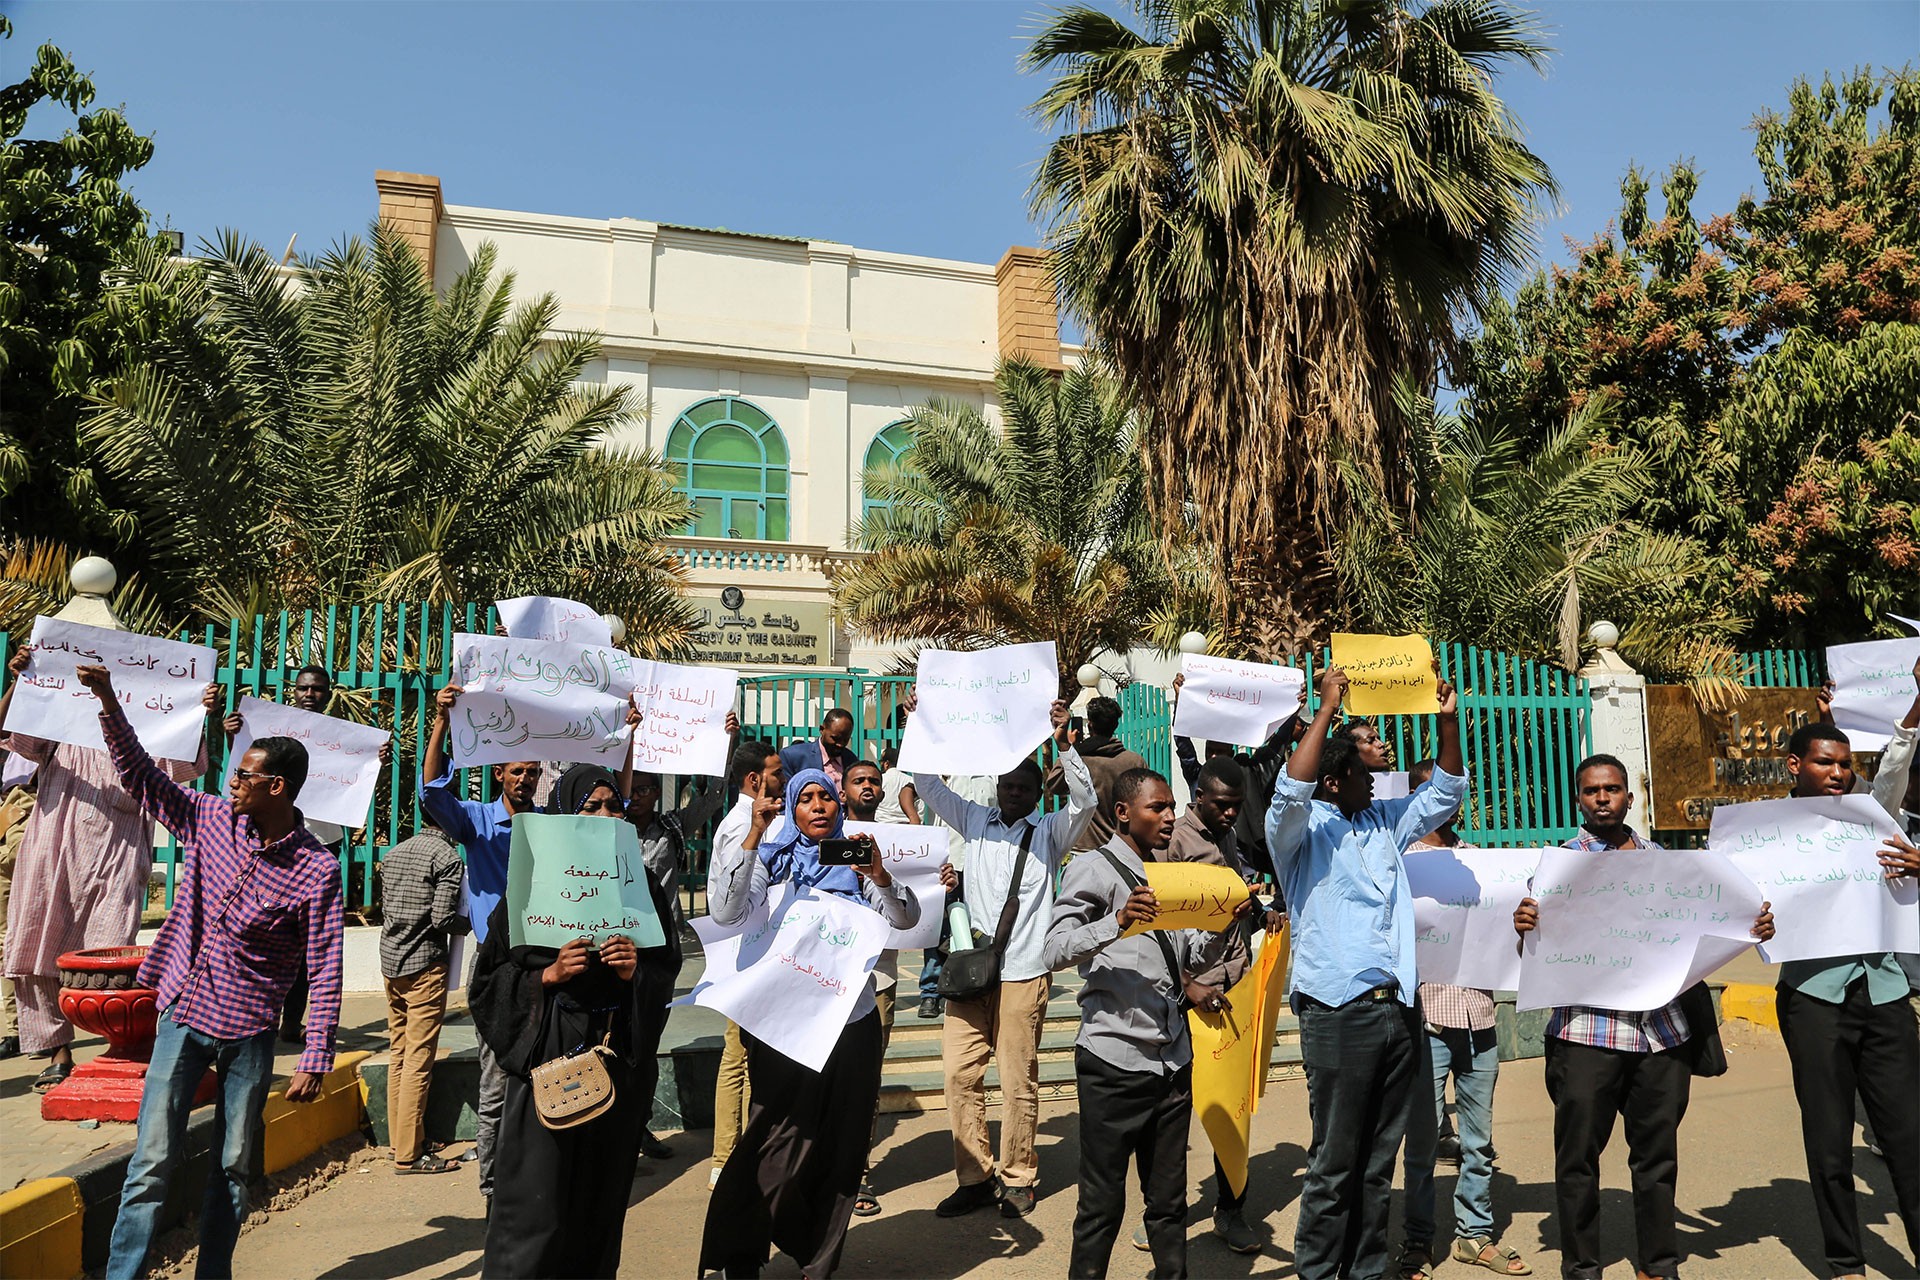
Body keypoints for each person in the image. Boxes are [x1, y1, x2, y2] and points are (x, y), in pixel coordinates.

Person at [70, 664, 342, 1280]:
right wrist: (109, 699)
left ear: (277, 787)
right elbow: (139, 773)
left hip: (247, 1033)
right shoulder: (210, 819)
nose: (233, 781)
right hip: (181, 1015)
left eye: (244, 774)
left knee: (235, 1165)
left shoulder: (315, 870)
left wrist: (315, 1054)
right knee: (151, 1161)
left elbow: (325, 967)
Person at [1512, 754, 1774, 1280]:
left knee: (1656, 1161)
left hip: (1661, 1037)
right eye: (1592, 791)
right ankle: (1583, 1266)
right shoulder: (1555, 869)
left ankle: (1658, 1265)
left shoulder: (1668, 865)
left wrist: (1752, 926)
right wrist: (1522, 930)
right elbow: (1529, 961)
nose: (1603, 798)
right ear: (1580, 799)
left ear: (1630, 798)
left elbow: (1708, 932)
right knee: (1578, 1161)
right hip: (1586, 1035)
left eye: (1612, 789)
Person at [1266, 665, 1467, 1280]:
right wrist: (1326, 710)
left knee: (1379, 1160)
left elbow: (1446, 794)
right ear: (1336, 778)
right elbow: (1287, 793)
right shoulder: (1299, 834)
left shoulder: (1382, 822)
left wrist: (1447, 718)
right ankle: (1318, 1271)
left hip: (1397, 1009)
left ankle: (1366, 1270)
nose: (1376, 780)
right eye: (1364, 771)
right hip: (1338, 1012)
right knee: (1335, 1161)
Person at [699, 767, 919, 1279]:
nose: (818, 807)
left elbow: (904, 920)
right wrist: (755, 834)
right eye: (806, 799)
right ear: (792, 809)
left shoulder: (855, 859)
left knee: (842, 1144)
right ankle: (740, 1252)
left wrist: (880, 877)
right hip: (783, 1027)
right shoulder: (771, 860)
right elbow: (726, 911)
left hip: (851, 1021)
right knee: (775, 1137)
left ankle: (818, 1262)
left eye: (826, 798)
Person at [1046, 766, 1252, 1279]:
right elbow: (1052, 949)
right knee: (1101, 1205)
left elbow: (1181, 955)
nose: (1168, 817)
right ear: (1123, 813)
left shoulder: (1171, 874)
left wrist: (1224, 919)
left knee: (1168, 1203)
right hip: (1114, 1060)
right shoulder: (1091, 869)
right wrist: (1114, 923)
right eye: (1156, 807)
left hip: (1171, 1064)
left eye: (1169, 806)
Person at [0, 644, 215, 1091]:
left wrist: (197, 716)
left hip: (118, 848)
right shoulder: (60, 721)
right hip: (51, 842)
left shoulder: (145, 731)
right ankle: (57, 1052)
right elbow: (14, 737)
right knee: (36, 947)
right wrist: (21, 680)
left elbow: (183, 769)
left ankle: (115, 1049)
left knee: (111, 952)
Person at [913, 698, 1094, 1220]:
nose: (1013, 793)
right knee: (959, 1076)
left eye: (1023, 787)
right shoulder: (973, 818)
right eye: (1007, 785)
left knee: (1019, 1081)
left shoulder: (1051, 832)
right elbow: (927, 786)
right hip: (972, 972)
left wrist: (1065, 743)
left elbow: (1085, 802)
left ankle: (1018, 1177)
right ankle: (974, 1176)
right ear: (996, 787)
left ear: (1038, 793)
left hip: (1023, 973)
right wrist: (922, 723)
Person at [469, 761, 644, 1278]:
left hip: (613, 1055)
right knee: (535, 1203)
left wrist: (636, 973)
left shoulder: (639, 884)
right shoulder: (529, 886)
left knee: (598, 1205)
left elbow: (662, 968)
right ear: (565, 813)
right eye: (592, 807)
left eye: (615, 806)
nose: (606, 815)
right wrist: (546, 977)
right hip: (546, 1052)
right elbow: (487, 981)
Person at [1773, 723, 1919, 1280]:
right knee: (1830, 1139)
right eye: (1824, 763)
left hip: (1884, 991)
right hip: (1814, 998)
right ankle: (1845, 1263)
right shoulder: (1764, 831)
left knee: (1909, 1137)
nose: (1838, 772)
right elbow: (1737, 902)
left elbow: (1894, 772)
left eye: (1843, 764)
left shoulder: (1870, 815)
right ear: (1795, 766)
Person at [1148, 752, 1284, 1255]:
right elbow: (1159, 926)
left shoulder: (1225, 836)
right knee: (1176, 1112)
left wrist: (1261, 911)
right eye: (1223, 806)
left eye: (1236, 807)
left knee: (1235, 1104)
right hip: (1191, 994)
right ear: (1199, 798)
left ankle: (1231, 1210)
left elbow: (1235, 890)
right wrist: (1187, 985)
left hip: (1233, 986)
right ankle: (1165, 1212)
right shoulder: (1171, 843)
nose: (1231, 815)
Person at [416, 679, 544, 1215]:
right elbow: (430, 795)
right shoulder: (476, 822)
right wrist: (441, 722)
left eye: (533, 772)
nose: (525, 778)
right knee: (494, 1081)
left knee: (542, 1071)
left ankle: (534, 1178)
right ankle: (493, 1189)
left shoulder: (550, 825)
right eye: (517, 771)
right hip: (496, 963)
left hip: (543, 961)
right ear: (500, 774)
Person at [1397, 758, 1527, 1280]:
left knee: (1479, 1139)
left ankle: (1475, 1234)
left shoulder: (1480, 862)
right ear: (1414, 796)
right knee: (1423, 1144)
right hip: (1423, 1020)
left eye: (1450, 791)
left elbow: (1506, 929)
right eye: (1430, 791)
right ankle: (1418, 1240)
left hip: (1478, 1016)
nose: (1443, 801)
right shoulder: (1398, 861)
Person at [223, 664, 392, 1043]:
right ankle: (255, 1016)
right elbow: (242, 773)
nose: (309, 694)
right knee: (260, 930)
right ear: (293, 691)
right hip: (269, 842)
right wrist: (231, 736)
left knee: (306, 936)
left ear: (328, 692)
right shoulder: (267, 733)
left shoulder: (348, 739)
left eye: (317, 689)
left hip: (320, 844)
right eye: (303, 688)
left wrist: (376, 760)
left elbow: (358, 782)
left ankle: (292, 1022)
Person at [620, 707, 737, 1163]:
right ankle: (617, 1130)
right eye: (635, 789)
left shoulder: (670, 827)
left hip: (660, 951)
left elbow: (709, 802)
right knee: (619, 1040)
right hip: (617, 948)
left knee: (647, 1043)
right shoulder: (604, 826)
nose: (641, 797)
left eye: (649, 789)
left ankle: (639, 1126)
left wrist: (723, 746)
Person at [708, 737, 785, 1190]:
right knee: (739, 1058)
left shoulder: (760, 821)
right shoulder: (744, 826)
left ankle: (743, 1152)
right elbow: (730, 903)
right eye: (776, 773)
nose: (784, 780)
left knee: (746, 1057)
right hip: (746, 958)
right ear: (755, 780)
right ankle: (728, 1157)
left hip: (764, 959)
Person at [378, 812, 467, 1175]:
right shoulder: (447, 858)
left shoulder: (396, 852)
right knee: (418, 1059)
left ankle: (402, 1141)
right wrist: (473, 922)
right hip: (424, 966)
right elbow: (443, 918)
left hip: (391, 963)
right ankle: (409, 1156)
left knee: (399, 1053)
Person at [1171, 671, 1308, 878]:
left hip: (1242, 864)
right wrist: (1181, 701)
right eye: (1211, 751)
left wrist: (1292, 711)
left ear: (1232, 753)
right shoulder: (1197, 775)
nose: (1215, 756)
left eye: (1222, 751)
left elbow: (1275, 746)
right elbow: (1183, 744)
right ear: (1200, 796)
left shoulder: (1247, 775)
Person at [842, 758, 897, 1217]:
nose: (868, 786)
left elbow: (911, 904)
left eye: (874, 781)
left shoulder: (901, 839)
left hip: (879, 978)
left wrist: (943, 887)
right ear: (844, 791)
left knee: (867, 1083)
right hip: (829, 980)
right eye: (858, 780)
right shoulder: (826, 836)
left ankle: (857, 1174)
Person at [1043, 695, 1146, 853]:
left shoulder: (1080, 760)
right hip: (1122, 849)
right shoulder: (1134, 761)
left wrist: (1068, 748)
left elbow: (1054, 784)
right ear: (1116, 725)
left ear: (1089, 725)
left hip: (1085, 850)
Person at [0, 762, 32, 1060]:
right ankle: (15, 1030)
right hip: (6, 822)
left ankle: (44, 1029)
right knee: (5, 941)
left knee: (33, 935)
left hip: (32, 817)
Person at [779, 707, 857, 793]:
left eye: (845, 739)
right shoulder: (793, 756)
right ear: (822, 729)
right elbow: (786, 796)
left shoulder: (851, 760)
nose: (840, 744)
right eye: (835, 738)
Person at [874, 745, 920, 825]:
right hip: (906, 826)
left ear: (886, 764)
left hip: (881, 824)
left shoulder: (879, 780)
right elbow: (919, 808)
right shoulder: (911, 781)